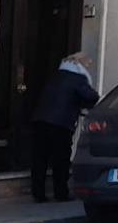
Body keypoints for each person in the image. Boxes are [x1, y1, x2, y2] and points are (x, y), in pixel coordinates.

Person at [28, 53, 99, 203]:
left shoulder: (56, 76)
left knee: (40, 158)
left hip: (40, 120)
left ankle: (38, 193)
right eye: (87, 64)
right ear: (80, 64)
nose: (88, 66)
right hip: (60, 123)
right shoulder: (78, 78)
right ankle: (61, 193)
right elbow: (91, 96)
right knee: (60, 160)